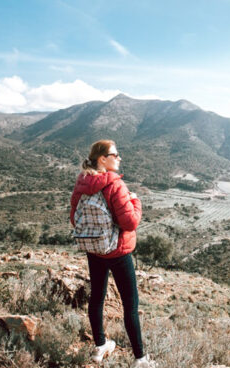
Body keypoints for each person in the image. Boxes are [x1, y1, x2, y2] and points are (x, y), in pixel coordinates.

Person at [70, 139, 156, 368]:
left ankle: (100, 346)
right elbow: (130, 222)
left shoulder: (82, 182)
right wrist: (135, 201)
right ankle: (140, 359)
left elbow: (74, 218)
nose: (119, 158)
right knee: (130, 304)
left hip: (94, 249)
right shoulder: (115, 185)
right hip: (117, 251)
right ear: (102, 159)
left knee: (97, 297)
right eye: (115, 155)